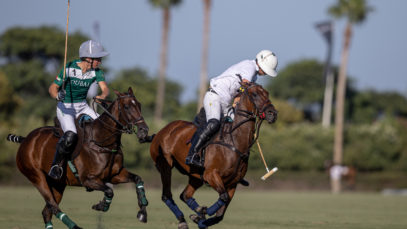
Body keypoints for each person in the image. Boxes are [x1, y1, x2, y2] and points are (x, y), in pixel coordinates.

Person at [186, 50, 278, 168]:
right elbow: (245, 84)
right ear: (261, 64)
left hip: (225, 102)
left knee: (237, 126)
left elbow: (239, 95)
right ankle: (192, 155)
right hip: (214, 96)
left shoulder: (254, 76)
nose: (265, 73)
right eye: (266, 71)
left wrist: (242, 109)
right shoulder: (249, 67)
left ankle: (232, 168)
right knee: (214, 123)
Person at [48, 40, 110, 180]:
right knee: (71, 135)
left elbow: (105, 88)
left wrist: (102, 95)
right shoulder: (69, 67)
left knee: (103, 127)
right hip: (66, 108)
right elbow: (52, 88)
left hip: (83, 106)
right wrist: (57, 95)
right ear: (89, 58)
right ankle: (55, 165)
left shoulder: (96, 72)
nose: (100, 61)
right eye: (98, 58)